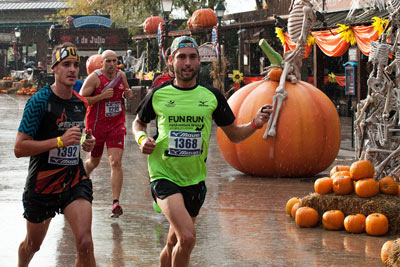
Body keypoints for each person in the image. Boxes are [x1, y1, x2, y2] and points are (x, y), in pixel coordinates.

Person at [132, 36, 273, 267]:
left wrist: (256, 123)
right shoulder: (158, 94)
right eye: (181, 57)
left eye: (192, 57)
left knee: (174, 243)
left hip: (195, 179)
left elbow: (235, 134)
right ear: (171, 61)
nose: (187, 63)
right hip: (163, 173)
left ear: (199, 61)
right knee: (187, 238)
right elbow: (138, 123)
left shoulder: (212, 97)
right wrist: (141, 139)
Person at [14, 42, 96, 267]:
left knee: (85, 242)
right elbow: (19, 148)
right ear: (54, 69)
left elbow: (77, 136)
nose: (72, 70)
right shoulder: (39, 101)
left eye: (76, 65)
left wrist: (86, 141)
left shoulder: (80, 103)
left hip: (73, 180)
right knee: (33, 245)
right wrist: (59, 142)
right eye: (66, 64)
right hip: (43, 184)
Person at [80, 49, 133, 218]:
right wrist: (101, 97)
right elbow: (81, 99)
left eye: (114, 61)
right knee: (93, 162)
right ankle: (78, 180)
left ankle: (115, 203)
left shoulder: (121, 76)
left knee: (115, 162)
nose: (111, 64)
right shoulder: (94, 78)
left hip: (116, 125)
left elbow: (127, 91)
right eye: (108, 61)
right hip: (96, 126)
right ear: (101, 63)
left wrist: (128, 93)